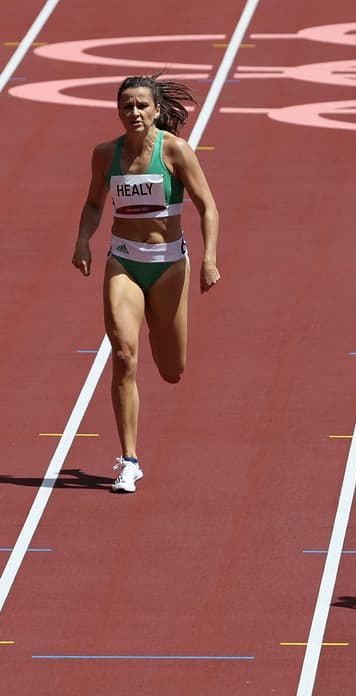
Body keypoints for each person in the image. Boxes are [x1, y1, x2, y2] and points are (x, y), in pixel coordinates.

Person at [72, 73, 220, 493]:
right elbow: (93, 202)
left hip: (170, 265)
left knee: (172, 370)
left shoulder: (176, 152)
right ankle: (129, 460)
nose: (133, 113)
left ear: (156, 110)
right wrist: (83, 240)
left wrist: (209, 259)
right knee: (123, 353)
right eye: (126, 107)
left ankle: (159, 328)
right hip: (123, 263)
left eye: (141, 105)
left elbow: (208, 206)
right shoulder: (105, 155)